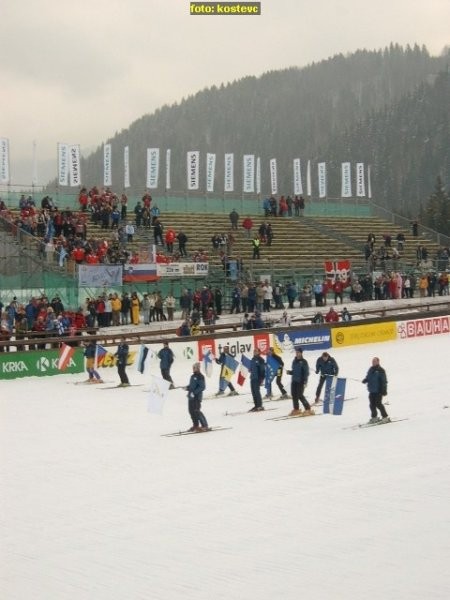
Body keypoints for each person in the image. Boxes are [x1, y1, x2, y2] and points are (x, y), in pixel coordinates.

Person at [362, 357, 390, 424]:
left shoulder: (381, 370)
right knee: (372, 405)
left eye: (374, 361)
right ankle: (374, 417)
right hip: (372, 390)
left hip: (378, 391)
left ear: (378, 362)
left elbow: (384, 381)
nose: (373, 362)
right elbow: (368, 377)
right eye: (372, 361)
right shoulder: (371, 369)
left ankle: (385, 417)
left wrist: (384, 390)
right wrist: (365, 380)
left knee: (378, 404)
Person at [286, 347, 313, 416]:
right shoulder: (294, 361)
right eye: (296, 352)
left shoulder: (304, 362)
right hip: (294, 381)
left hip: (300, 381)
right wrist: (290, 372)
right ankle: (296, 409)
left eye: (298, 352)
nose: (297, 354)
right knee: (294, 395)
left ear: (301, 353)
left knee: (300, 395)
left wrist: (305, 381)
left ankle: (308, 409)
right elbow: (294, 371)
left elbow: (306, 373)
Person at [185, 362, 209, 432]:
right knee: (191, 411)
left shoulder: (200, 376)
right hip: (191, 397)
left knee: (196, 411)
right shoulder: (192, 376)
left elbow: (202, 387)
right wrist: (187, 388)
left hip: (196, 397)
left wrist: (194, 393)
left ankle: (205, 426)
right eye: (193, 367)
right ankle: (196, 425)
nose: (193, 369)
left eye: (194, 367)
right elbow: (192, 386)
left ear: (198, 368)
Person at [248, 348, 266, 412]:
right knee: (253, 392)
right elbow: (251, 368)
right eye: (254, 351)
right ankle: (256, 405)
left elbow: (262, 370)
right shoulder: (252, 359)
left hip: (257, 378)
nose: (254, 352)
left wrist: (261, 379)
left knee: (257, 392)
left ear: (259, 352)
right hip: (252, 378)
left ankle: (260, 406)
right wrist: (250, 369)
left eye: (256, 351)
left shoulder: (260, 360)